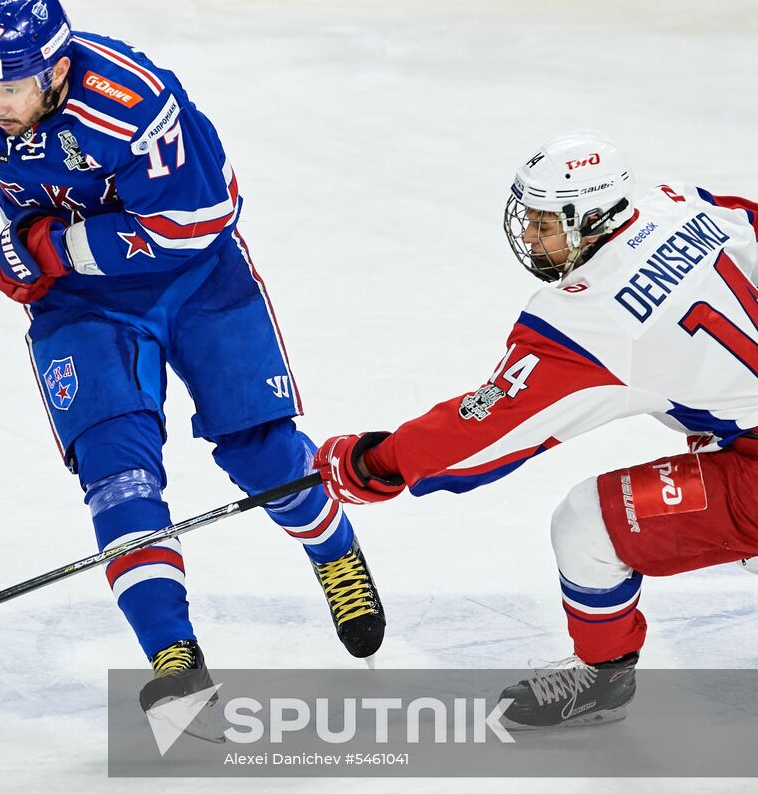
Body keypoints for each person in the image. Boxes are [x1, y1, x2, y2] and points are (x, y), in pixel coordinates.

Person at [0, 0, 385, 710]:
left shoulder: (132, 101)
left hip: (196, 280)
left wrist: (49, 246)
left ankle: (334, 553)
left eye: (12, 88)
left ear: (57, 71)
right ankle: (172, 652)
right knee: (115, 470)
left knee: (259, 450)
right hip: (78, 302)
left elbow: (194, 222)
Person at [313, 130, 758, 729]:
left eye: (546, 225)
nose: (528, 236)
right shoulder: (683, 204)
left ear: (594, 219)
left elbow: (486, 431)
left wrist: (374, 464)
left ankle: (603, 676)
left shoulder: (588, 315)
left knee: (589, 525)